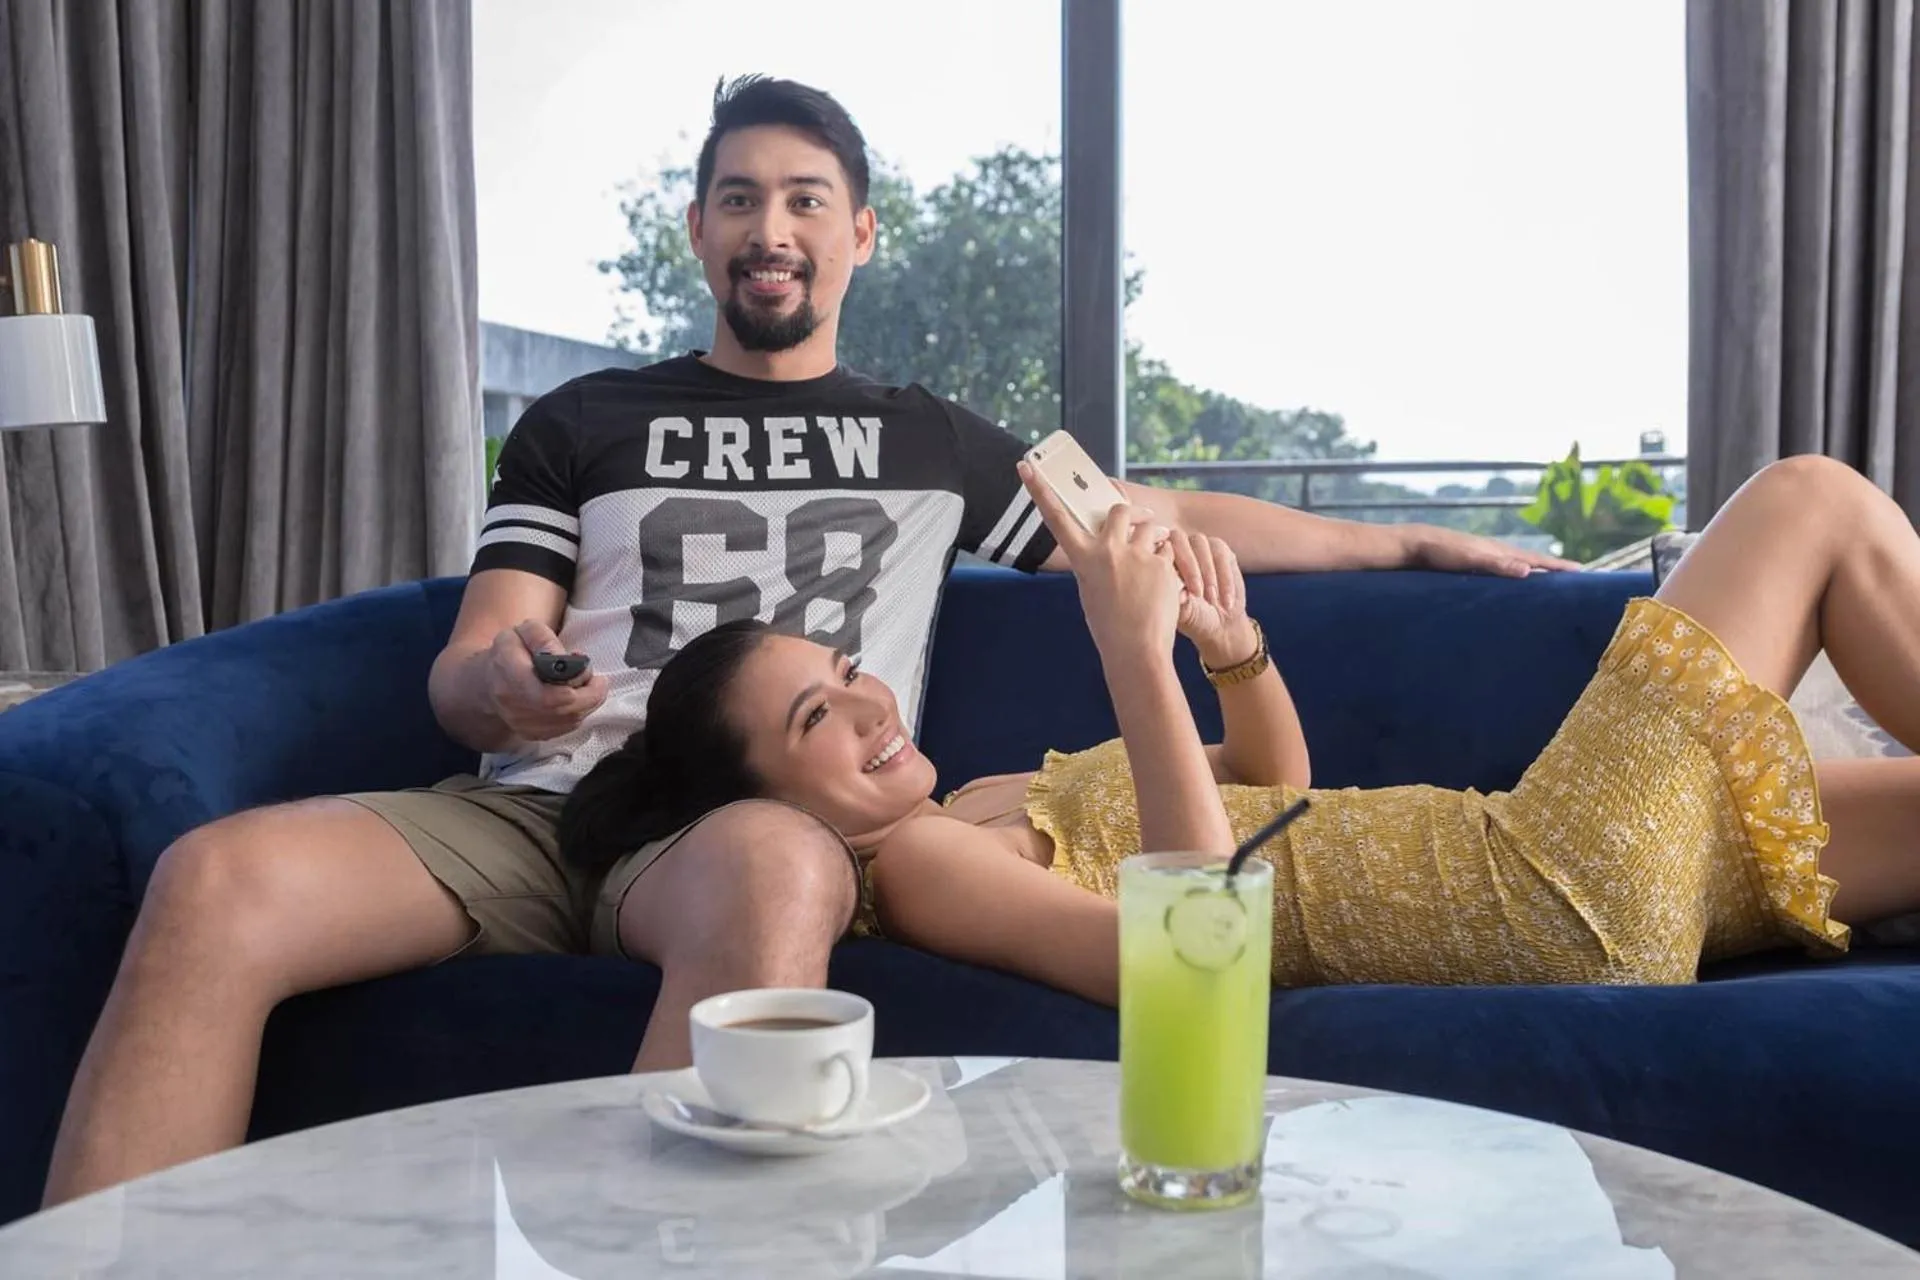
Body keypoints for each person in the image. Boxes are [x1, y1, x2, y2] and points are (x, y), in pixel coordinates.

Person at [39, 75, 1569, 1207]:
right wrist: (498, 686)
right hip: (535, 804)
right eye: (739, 199)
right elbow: (476, 649)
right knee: (214, 877)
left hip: (751, 822)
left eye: (804, 199)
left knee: (777, 862)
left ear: (857, 234)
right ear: (698, 229)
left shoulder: (929, 443)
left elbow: (1145, 512)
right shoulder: (582, 424)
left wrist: (1414, 539)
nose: (770, 230)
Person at [559, 453, 1920, 1002]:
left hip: (1525, 861)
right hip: (1540, 897)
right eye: (817, 713)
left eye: (850, 668)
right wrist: (1128, 652)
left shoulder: (974, 795)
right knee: (1807, 502)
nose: (869, 699)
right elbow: (1189, 966)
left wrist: (1230, 650)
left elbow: (1271, 785)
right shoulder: (912, 867)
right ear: (773, 805)